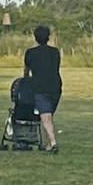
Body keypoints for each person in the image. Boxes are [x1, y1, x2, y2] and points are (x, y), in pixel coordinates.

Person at [22, 22, 62, 152]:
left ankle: (53, 143)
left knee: (45, 117)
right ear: (48, 37)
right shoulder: (55, 52)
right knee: (49, 117)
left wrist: (26, 81)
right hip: (56, 87)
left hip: (40, 88)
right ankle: (48, 143)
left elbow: (26, 72)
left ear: (35, 37)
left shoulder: (30, 53)